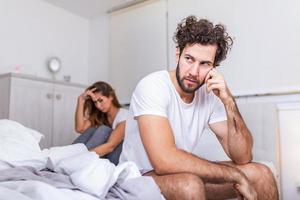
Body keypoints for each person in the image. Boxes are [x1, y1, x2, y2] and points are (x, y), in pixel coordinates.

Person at [119, 16, 278, 200]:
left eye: (204, 64)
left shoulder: (210, 95)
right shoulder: (153, 86)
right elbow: (164, 161)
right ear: (178, 55)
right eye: (189, 59)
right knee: (190, 185)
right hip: (138, 178)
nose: (194, 72)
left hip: (179, 176)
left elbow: (242, 156)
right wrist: (235, 175)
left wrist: (229, 102)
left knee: (262, 174)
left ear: (213, 68)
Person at [73, 81, 128, 165]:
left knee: (104, 129)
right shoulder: (100, 116)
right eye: (95, 102)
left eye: (101, 100)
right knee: (93, 129)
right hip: (104, 156)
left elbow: (110, 146)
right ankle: (69, 155)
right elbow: (80, 128)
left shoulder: (124, 116)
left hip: (119, 158)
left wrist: (80, 157)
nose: (98, 106)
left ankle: (73, 161)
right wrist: (80, 100)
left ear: (111, 96)